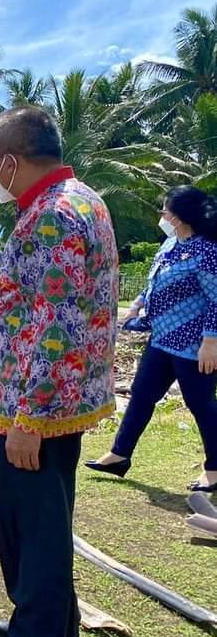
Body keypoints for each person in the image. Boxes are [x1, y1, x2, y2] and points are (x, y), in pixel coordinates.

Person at [0, 106, 118, 637]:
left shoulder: (51, 216)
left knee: (32, 530)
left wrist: (29, 416)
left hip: (35, 409)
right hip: (53, 400)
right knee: (46, 523)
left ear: (8, 161)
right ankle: (53, 630)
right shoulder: (83, 199)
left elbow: (56, 323)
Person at [86, 185, 217, 492]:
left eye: (165, 211)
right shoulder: (170, 244)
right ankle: (119, 455)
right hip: (161, 339)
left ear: (181, 216)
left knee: (200, 404)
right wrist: (136, 305)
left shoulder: (207, 252)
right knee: (142, 395)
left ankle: (214, 467)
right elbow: (155, 282)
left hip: (193, 346)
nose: (162, 216)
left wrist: (211, 342)